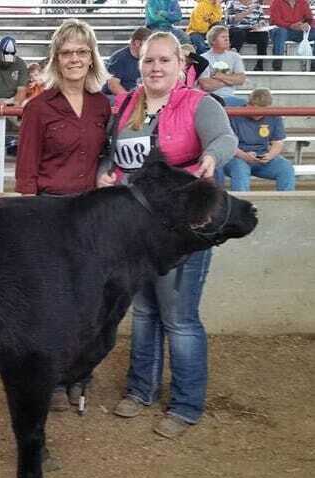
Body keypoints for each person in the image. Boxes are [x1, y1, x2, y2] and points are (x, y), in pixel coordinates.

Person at [98, 32, 237, 439]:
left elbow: (224, 138)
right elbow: (112, 155)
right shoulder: (125, 106)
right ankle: (140, 390)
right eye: (149, 62)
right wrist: (104, 173)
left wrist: (212, 156)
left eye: (164, 61)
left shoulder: (199, 104)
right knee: (143, 312)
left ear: (180, 65)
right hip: (139, 230)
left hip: (184, 228)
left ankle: (185, 404)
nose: (155, 68)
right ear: (139, 64)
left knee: (179, 318)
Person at [15, 19, 110, 412]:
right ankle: (50, 379)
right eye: (67, 52)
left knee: (89, 303)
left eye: (82, 52)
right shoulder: (38, 107)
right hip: (50, 216)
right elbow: (26, 170)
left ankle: (80, 376)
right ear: (56, 58)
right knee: (52, 303)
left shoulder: (104, 106)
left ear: (92, 57)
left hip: (92, 218)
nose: (75, 59)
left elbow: (110, 155)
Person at [221, 88, 296, 191]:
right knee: (240, 169)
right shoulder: (234, 114)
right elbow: (228, 143)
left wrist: (270, 155)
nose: (258, 115)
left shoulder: (274, 115)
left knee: (286, 168)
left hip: (262, 156)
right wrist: (244, 156)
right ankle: (243, 205)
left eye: (262, 112)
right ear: (249, 105)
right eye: (255, 111)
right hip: (237, 156)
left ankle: (287, 203)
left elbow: (278, 142)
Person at [198, 25, 247, 106]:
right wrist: (230, 80)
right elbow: (206, 85)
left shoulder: (235, 57)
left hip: (230, 97)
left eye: (227, 36)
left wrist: (220, 76)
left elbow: (241, 79)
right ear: (213, 40)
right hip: (210, 98)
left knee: (244, 104)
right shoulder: (203, 58)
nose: (227, 39)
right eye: (223, 37)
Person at [103, 27, 152, 102]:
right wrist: (130, 100)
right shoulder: (119, 58)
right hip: (114, 96)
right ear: (137, 43)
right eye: (148, 45)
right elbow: (113, 85)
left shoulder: (147, 58)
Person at [270, 0, 315, 71]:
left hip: (299, 30)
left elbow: (309, 19)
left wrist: (306, 25)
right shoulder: (277, 2)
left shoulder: (303, 2)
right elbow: (275, 20)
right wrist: (290, 25)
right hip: (284, 30)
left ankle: (313, 65)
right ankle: (277, 64)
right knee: (280, 32)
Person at [226, 0, 269, 71]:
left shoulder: (256, 4)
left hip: (252, 30)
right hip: (236, 29)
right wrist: (248, 11)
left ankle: (259, 64)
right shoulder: (232, 3)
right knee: (239, 33)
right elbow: (231, 20)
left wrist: (259, 25)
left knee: (263, 34)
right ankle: (231, 61)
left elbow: (262, 20)